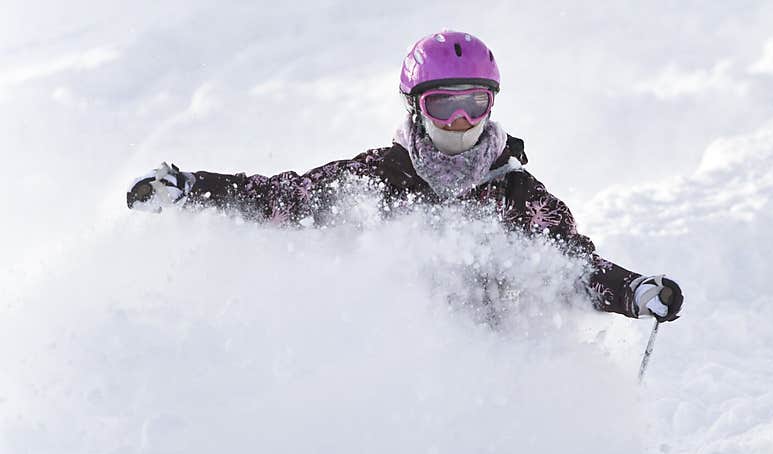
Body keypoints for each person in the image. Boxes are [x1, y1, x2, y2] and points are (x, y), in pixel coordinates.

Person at [127, 30, 683, 323]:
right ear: (417, 107)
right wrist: (195, 187)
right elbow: (285, 199)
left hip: (497, 361)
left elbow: (570, 268)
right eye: (446, 104)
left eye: (476, 103)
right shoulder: (379, 178)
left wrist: (633, 291)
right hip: (398, 355)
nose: (462, 121)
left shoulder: (517, 194)